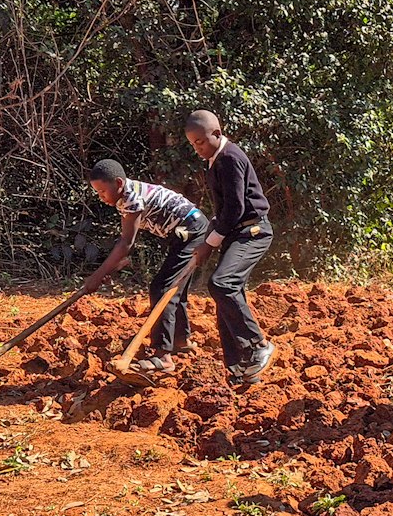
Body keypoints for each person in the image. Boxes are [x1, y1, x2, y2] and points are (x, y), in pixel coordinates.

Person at [81, 159, 209, 374]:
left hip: (192, 232)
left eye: (102, 191)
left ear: (119, 183)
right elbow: (126, 246)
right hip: (185, 233)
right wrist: (110, 268)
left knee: (162, 289)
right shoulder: (127, 196)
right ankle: (180, 340)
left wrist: (97, 275)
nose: (101, 197)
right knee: (172, 289)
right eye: (97, 192)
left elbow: (126, 243)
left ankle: (163, 355)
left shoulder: (131, 197)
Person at [183, 110, 276, 383]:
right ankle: (239, 368)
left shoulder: (230, 158)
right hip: (236, 232)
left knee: (222, 284)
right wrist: (210, 235)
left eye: (200, 141)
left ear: (217, 134)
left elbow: (236, 207)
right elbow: (223, 208)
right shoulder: (213, 160)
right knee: (228, 292)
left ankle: (258, 346)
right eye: (192, 143)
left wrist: (209, 245)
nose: (197, 147)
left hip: (253, 231)